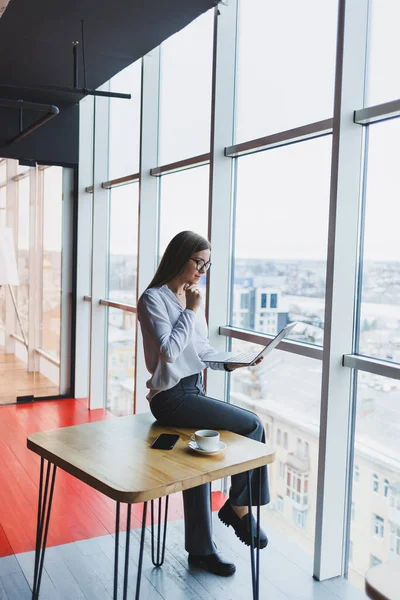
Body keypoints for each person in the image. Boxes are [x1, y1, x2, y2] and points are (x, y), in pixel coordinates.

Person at [137, 230, 270, 577]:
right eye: (199, 262)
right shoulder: (153, 299)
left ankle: (201, 551)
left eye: (207, 265)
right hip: (170, 397)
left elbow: (202, 353)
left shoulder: (191, 298)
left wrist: (233, 361)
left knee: (199, 467)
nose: (203, 271)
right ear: (180, 257)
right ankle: (240, 506)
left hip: (193, 390)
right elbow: (169, 351)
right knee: (253, 424)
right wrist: (192, 310)